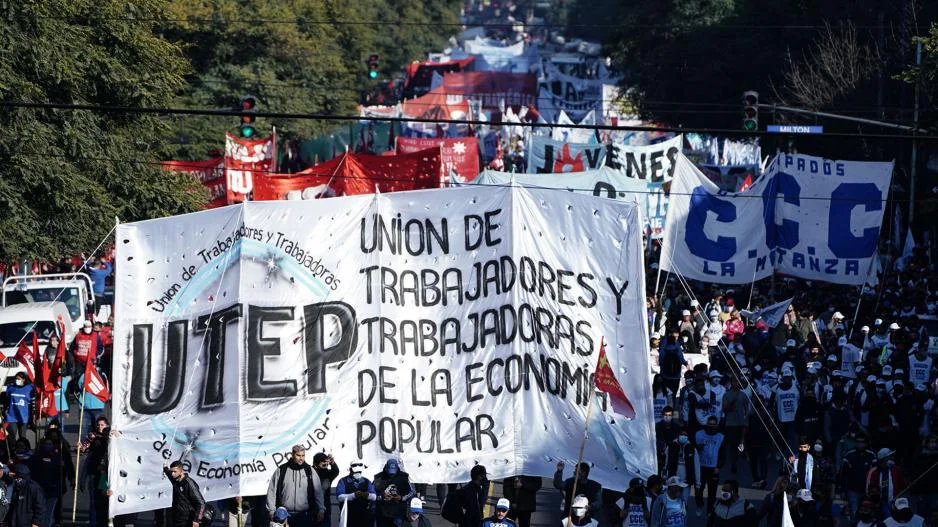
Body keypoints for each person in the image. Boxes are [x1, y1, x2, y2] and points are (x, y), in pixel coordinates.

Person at [266, 445, 324, 527]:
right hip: (283, 515)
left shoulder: (309, 470)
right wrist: (271, 511)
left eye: (303, 455)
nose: (301, 458)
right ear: (292, 455)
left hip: (304, 515)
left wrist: (321, 509)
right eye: (298, 455)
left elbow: (318, 491)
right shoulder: (282, 469)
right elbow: (272, 490)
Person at [694, 416, 725, 517]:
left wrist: (719, 467)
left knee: (712, 492)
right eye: (710, 424)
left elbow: (723, 454)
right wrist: (697, 448)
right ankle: (699, 504)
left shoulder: (721, 437)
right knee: (699, 489)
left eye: (714, 424)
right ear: (706, 424)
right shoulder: (698, 434)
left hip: (713, 468)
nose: (711, 426)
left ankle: (709, 511)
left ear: (717, 425)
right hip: (701, 467)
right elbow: (692, 449)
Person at [840, 433, 876, 518]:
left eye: (862, 442)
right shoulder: (849, 455)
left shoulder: (871, 455)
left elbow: (875, 474)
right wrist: (842, 489)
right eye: (858, 442)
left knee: (868, 513)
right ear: (855, 443)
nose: (860, 444)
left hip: (867, 491)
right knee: (854, 513)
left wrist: (873, 489)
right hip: (852, 490)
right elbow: (843, 474)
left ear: (866, 443)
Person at [865, 449, 907, 517]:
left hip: (895, 503)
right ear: (883, 459)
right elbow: (868, 490)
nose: (892, 458)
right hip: (880, 504)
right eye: (890, 456)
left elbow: (902, 485)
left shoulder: (896, 470)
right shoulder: (873, 472)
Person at [164, 461, 206, 527]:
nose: (172, 474)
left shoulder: (189, 483)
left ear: (181, 471)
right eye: (171, 471)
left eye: (175, 471)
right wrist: (165, 468)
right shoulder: (175, 480)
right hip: (176, 519)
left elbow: (201, 503)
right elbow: (169, 474)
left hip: (187, 521)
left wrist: (197, 520)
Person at [374, 459, 414, 527]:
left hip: (399, 513)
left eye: (393, 473)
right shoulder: (378, 477)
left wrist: (401, 498)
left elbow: (412, 492)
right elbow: (372, 494)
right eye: (390, 473)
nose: (391, 475)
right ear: (386, 468)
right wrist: (382, 496)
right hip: (382, 512)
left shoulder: (404, 477)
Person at [31, 438, 61, 527]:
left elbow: (60, 473)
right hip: (39, 489)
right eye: (46, 444)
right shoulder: (36, 457)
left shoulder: (57, 457)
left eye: (50, 444)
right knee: (40, 511)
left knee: (49, 513)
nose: (48, 446)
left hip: (52, 490)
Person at [336, 462, 376, 527]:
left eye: (359, 472)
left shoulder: (366, 481)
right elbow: (339, 497)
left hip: (365, 516)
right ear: (350, 470)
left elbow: (374, 497)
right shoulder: (343, 481)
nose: (357, 474)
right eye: (355, 472)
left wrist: (366, 495)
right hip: (349, 515)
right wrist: (353, 495)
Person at [312, 453, 338, 527]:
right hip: (312, 510)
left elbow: (335, 471)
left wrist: (332, 463)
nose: (326, 467)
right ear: (316, 464)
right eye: (323, 465)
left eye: (327, 465)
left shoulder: (328, 474)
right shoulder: (309, 473)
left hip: (326, 509)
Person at [4, 373, 32, 441]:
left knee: (22, 436)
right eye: (16, 379)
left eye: (19, 379)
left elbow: (31, 403)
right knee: (12, 436)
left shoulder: (29, 388)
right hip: (12, 417)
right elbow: (6, 399)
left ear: (24, 380)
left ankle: (23, 450)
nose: (17, 380)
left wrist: (32, 416)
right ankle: (12, 450)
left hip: (23, 417)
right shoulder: (11, 388)